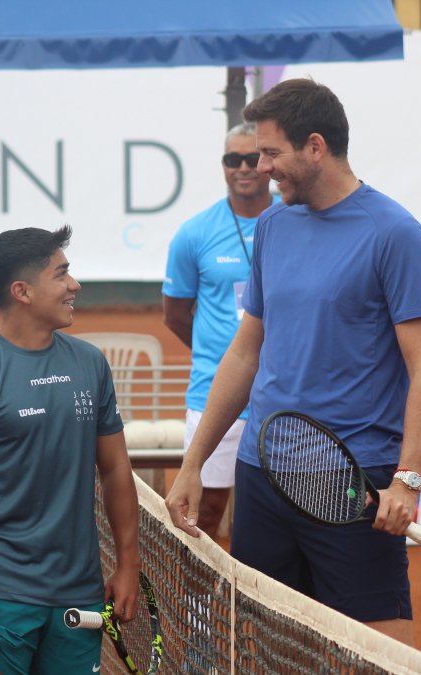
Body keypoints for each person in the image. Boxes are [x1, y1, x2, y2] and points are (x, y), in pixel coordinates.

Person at [164, 79, 421, 645]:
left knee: (377, 650)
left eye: (271, 153)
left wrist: (407, 481)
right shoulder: (273, 225)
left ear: (315, 147)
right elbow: (245, 352)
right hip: (262, 473)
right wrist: (194, 462)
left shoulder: (394, 233)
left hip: (353, 480)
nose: (261, 167)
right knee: (269, 646)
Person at [0, 226, 141, 674]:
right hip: (1, 593)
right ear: (22, 292)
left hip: (79, 592)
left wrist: (129, 564)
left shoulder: (91, 364)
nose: (74, 285)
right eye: (61, 274)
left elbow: (116, 469)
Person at [161, 122, 278, 538]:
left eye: (251, 158)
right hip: (214, 391)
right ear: (223, 165)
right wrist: (228, 360)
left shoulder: (297, 220)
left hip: (283, 391)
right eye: (232, 159)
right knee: (204, 511)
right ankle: (197, 588)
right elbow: (175, 315)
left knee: (281, 512)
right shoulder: (194, 233)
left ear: (267, 163)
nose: (242, 168)